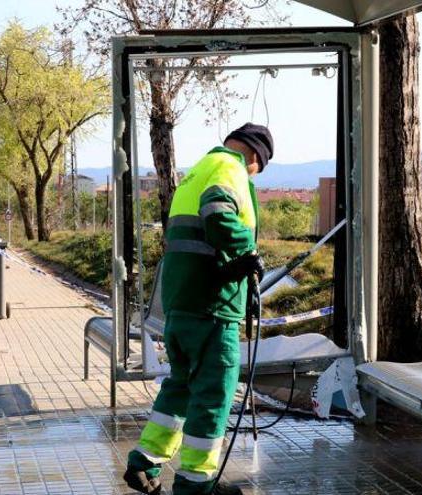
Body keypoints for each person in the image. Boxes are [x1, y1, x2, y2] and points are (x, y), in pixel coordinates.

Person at [124, 123, 273, 495]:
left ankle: (144, 463)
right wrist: (247, 254)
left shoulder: (196, 173)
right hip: (213, 306)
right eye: (260, 167)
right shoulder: (231, 168)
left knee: (181, 386)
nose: (254, 172)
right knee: (212, 394)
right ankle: (196, 483)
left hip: (181, 303)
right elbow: (219, 215)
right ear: (254, 155)